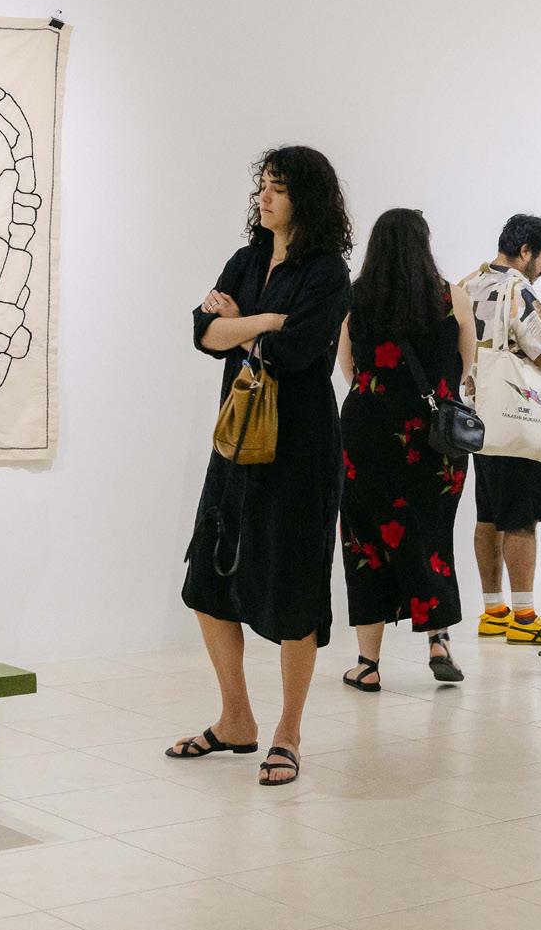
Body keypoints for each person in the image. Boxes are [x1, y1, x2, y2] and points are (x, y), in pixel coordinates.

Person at [170, 147, 353, 789]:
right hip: (237, 442)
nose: (264, 198)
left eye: (278, 188)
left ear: (307, 199)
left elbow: (295, 350)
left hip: (300, 450)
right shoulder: (246, 260)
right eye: (262, 187)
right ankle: (236, 718)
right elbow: (201, 332)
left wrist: (241, 326)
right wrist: (264, 322)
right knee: (208, 579)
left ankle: (289, 732)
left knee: (295, 587)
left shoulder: (328, 272)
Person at [338, 208, 477, 690]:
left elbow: (348, 368)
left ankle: (368, 665)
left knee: (365, 542)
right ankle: (439, 641)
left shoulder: (356, 299)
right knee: (431, 536)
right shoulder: (453, 296)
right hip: (436, 440)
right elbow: (466, 365)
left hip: (367, 435)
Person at [466, 213, 541, 644]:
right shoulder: (518, 290)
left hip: (478, 417)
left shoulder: (470, 283)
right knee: (522, 518)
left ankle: (494, 611)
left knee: (488, 515)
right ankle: (524, 616)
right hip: (517, 417)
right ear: (525, 252)